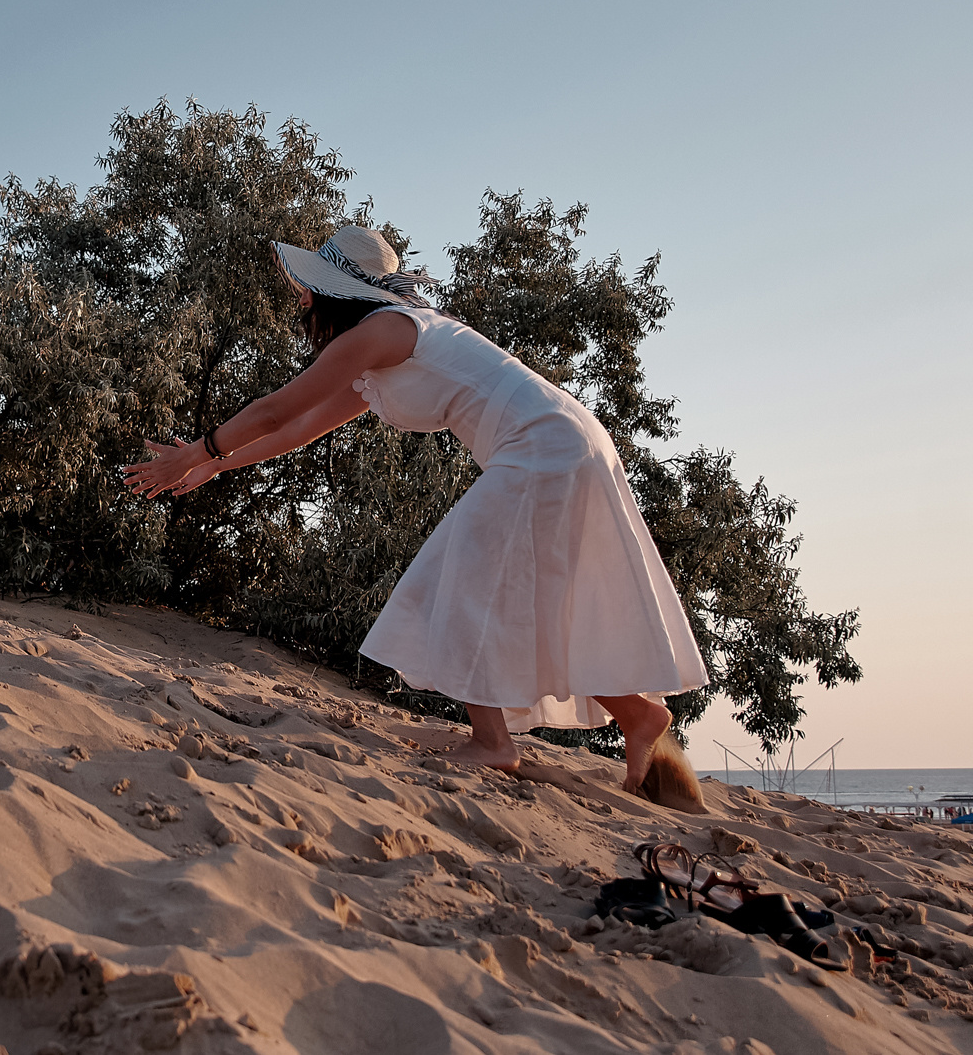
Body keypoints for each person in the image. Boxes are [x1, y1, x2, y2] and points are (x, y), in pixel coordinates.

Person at [121, 225, 708, 806]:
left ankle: (492, 742)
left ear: (337, 291)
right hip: (569, 440)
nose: (301, 297)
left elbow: (277, 409)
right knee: (544, 597)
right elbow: (299, 428)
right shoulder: (386, 347)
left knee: (457, 578)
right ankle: (638, 717)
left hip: (544, 445)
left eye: (308, 287)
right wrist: (214, 467)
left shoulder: (383, 329)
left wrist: (196, 452)